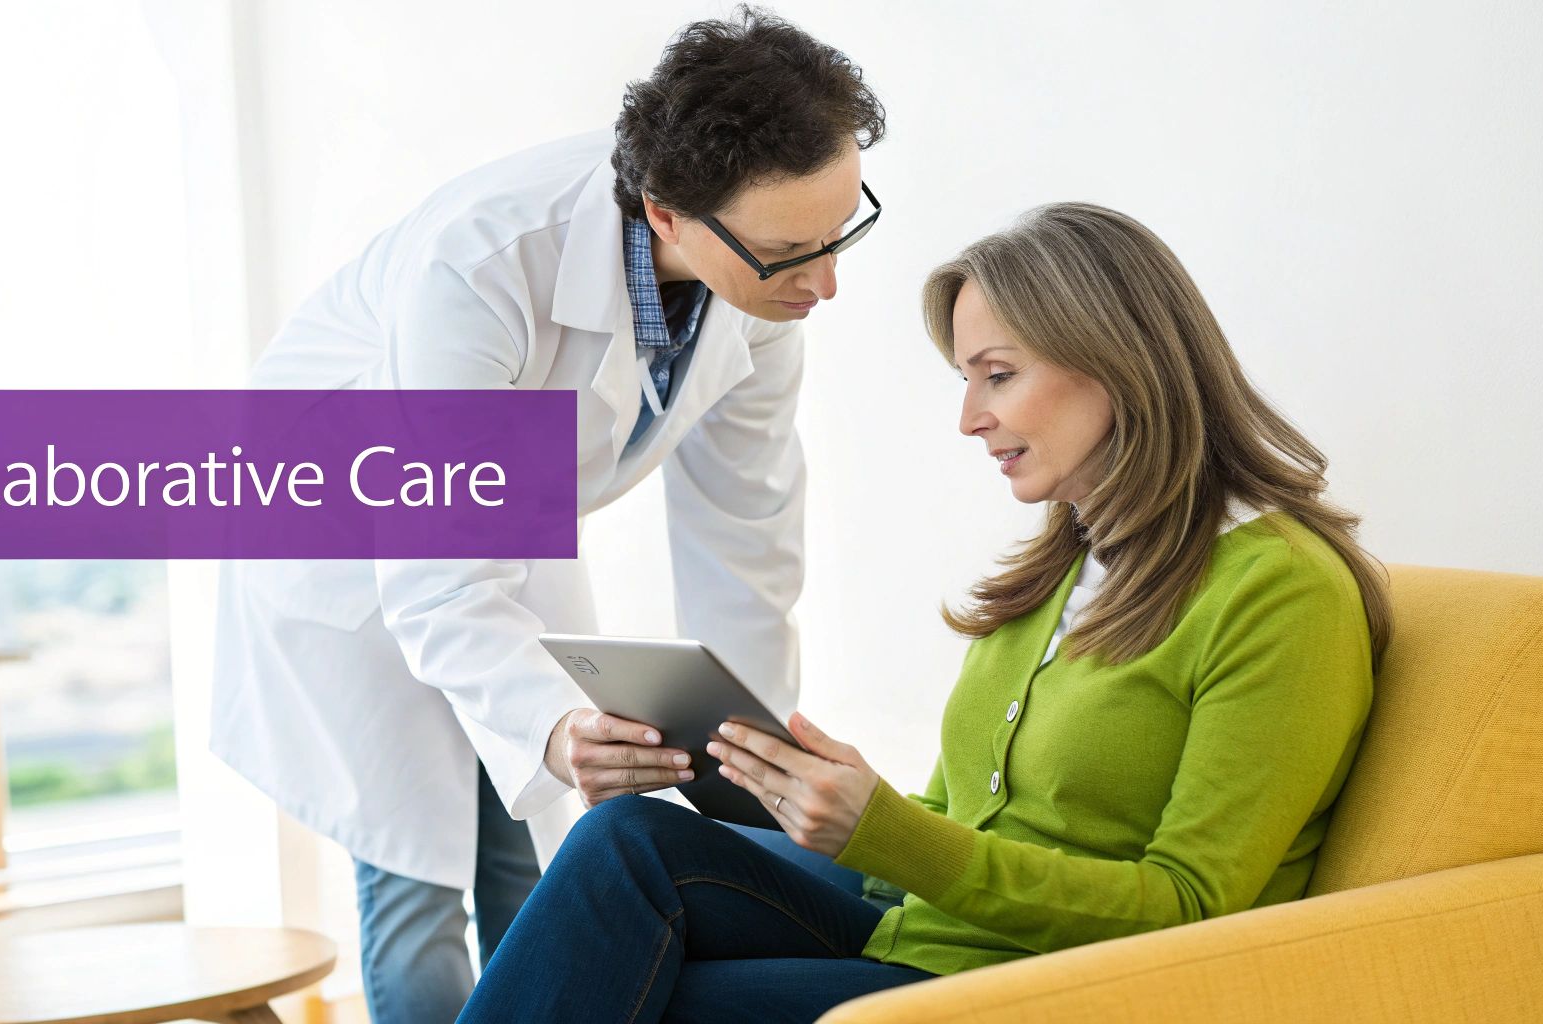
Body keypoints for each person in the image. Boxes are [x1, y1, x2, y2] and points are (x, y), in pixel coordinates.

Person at [457, 202, 1395, 1023]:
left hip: (1055, 979)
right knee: (623, 838)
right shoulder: (1069, 567)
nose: (970, 419)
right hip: (942, 931)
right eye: (965, 380)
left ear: (1116, 362)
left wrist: (886, 831)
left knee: (636, 994)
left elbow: (1190, 908)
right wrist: (816, 796)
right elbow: (964, 822)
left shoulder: (1279, 592)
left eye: (997, 374)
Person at [208, 7, 886, 1021]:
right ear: (668, 214)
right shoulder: (481, 261)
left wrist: (750, 756)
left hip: (501, 530)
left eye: (839, 234)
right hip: (340, 546)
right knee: (421, 881)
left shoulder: (758, 282)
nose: (826, 281)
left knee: (532, 868)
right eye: (795, 251)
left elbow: (745, 537)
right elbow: (433, 571)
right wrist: (553, 721)